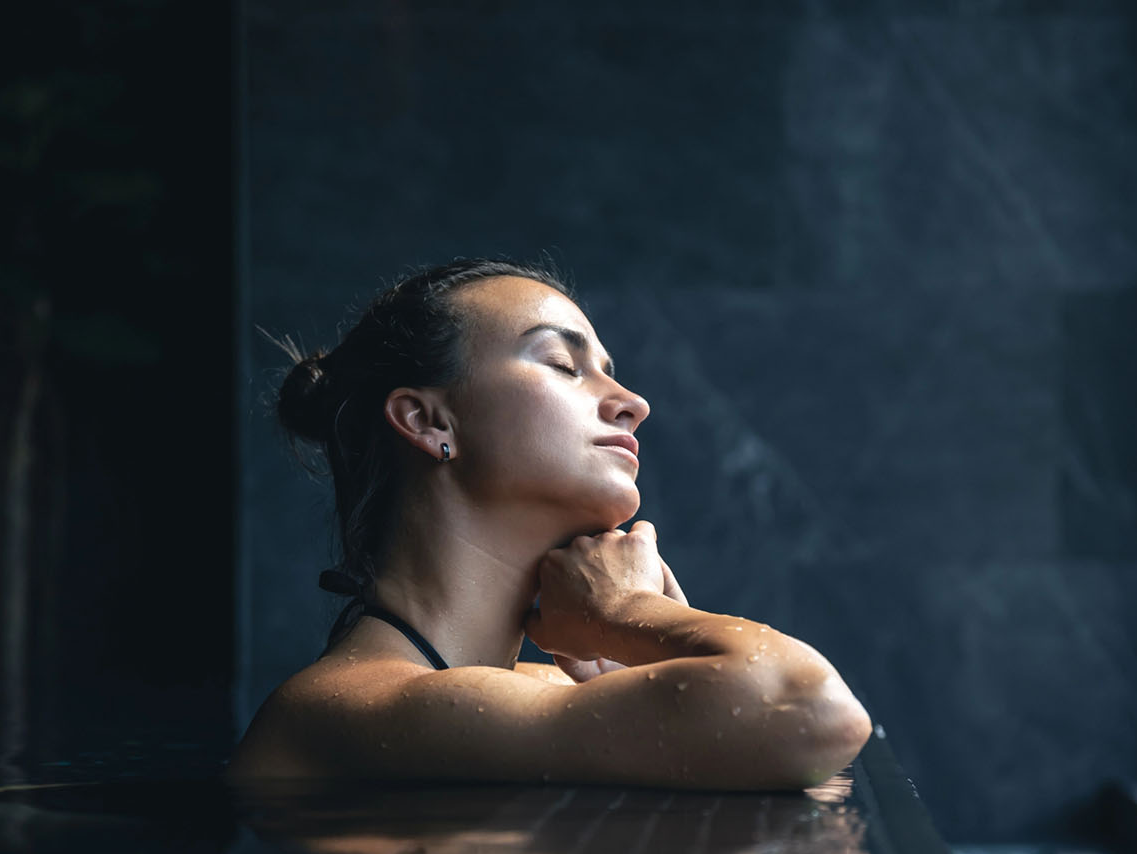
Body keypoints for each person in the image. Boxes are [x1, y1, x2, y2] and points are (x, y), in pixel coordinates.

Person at [227, 258, 872, 789]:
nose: (633, 404)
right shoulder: (356, 705)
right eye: (564, 366)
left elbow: (806, 756)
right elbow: (810, 708)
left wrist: (626, 673)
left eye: (607, 373)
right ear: (429, 423)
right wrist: (625, 612)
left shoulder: (536, 693)